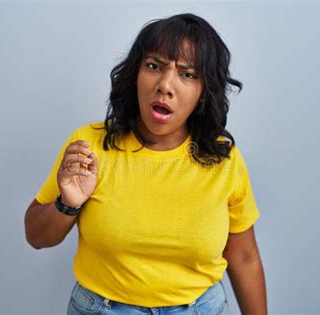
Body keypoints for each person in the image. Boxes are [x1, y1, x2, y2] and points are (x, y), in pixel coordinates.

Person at [24, 13, 267, 315]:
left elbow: (244, 257)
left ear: (204, 92)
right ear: (135, 74)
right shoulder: (90, 145)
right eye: (154, 66)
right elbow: (36, 236)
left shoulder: (224, 160)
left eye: (188, 74)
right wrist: (67, 204)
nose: (165, 85)